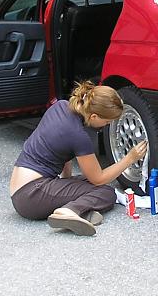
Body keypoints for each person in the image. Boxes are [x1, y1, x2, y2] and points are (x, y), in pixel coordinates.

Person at [9, 81, 148, 236]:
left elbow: (64, 153)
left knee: (86, 182)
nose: (106, 125)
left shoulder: (60, 106)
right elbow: (98, 179)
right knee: (106, 192)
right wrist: (130, 158)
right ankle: (68, 211)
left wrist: (66, 184)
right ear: (94, 116)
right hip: (31, 196)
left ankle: (80, 211)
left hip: (22, 189)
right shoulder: (79, 136)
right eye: (107, 122)